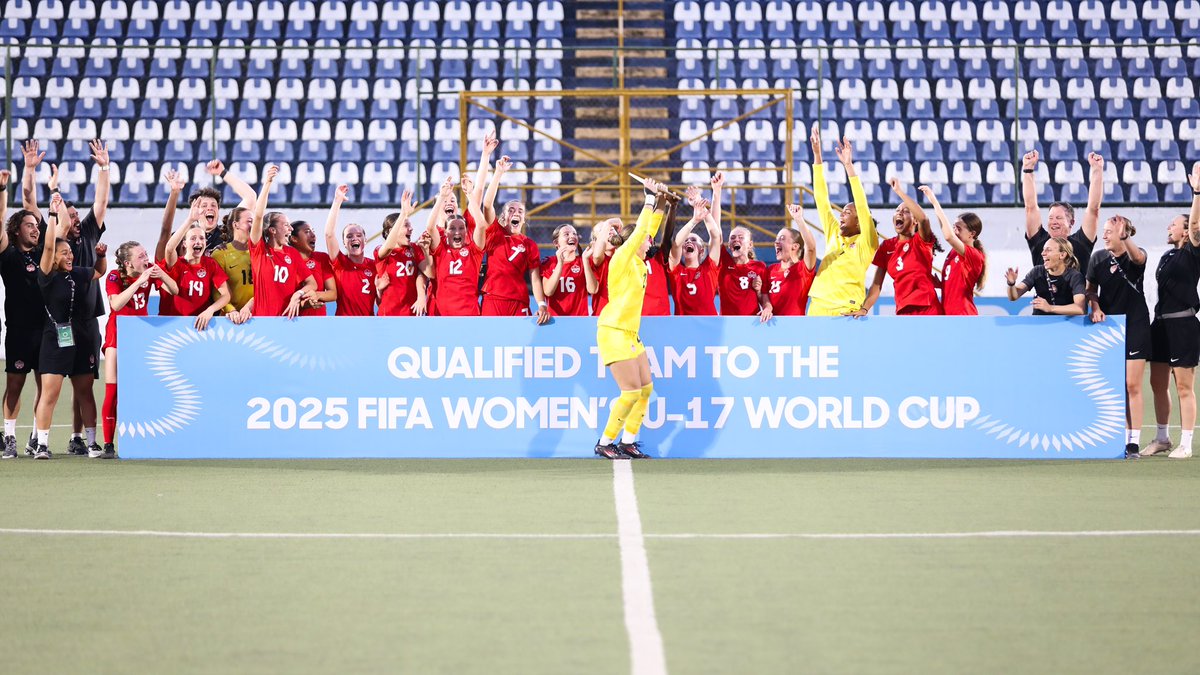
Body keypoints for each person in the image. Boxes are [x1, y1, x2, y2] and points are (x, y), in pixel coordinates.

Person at [23, 139, 110, 455]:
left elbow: (100, 202)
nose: (73, 218)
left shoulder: (87, 234)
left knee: (84, 386)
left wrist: (104, 168)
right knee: (50, 387)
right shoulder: (54, 246)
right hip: (57, 325)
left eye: (75, 214)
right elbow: (32, 204)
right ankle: (39, 440)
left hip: (86, 323)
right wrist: (39, 180)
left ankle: (80, 438)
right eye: (68, 215)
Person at [593, 178, 675, 460]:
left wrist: (662, 202)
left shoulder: (640, 261)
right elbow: (642, 230)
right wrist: (649, 197)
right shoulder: (622, 259)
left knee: (646, 389)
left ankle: (628, 441)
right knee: (629, 392)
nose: (650, 241)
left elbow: (648, 229)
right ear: (633, 242)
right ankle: (605, 442)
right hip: (613, 330)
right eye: (645, 240)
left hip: (629, 333)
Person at [1143, 165, 1200, 460]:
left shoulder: (1193, 251)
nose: (1169, 227)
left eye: (1173, 224)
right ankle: (1162, 438)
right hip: (1160, 325)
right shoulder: (1167, 255)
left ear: (1185, 231)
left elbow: (1196, 225)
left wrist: (1197, 192)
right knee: (1157, 383)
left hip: (1183, 325)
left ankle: (1186, 443)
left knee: (1184, 386)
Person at [101, 241, 178, 458]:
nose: (146, 259)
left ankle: (146, 439)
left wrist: (162, 275)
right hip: (117, 336)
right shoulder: (115, 277)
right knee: (113, 389)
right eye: (141, 256)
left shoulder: (150, 271)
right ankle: (108, 444)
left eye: (146, 254)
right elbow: (116, 304)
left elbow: (174, 290)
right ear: (128, 263)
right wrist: (139, 282)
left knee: (142, 389)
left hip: (140, 337)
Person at [1084, 215, 1149, 459]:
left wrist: (1126, 238)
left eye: (1109, 231)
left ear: (1123, 234)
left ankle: (1134, 442)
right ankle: (1117, 437)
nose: (1104, 235)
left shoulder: (1135, 254)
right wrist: (1095, 306)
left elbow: (1139, 259)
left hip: (1135, 324)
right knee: (1115, 385)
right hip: (1110, 328)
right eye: (1104, 231)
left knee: (1132, 384)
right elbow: (1091, 289)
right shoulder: (1098, 258)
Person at [806, 125, 880, 316]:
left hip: (846, 309)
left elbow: (862, 205)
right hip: (817, 306)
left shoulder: (866, 243)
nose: (841, 215)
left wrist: (848, 166)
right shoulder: (834, 233)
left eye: (847, 212)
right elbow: (822, 200)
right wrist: (817, 156)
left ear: (859, 221)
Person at [0, 171, 47, 458]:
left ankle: (36, 436)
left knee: (45, 385)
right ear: (16, 230)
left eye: (36, 225)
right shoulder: (7, 254)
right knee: (15, 384)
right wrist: (2, 190)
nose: (35, 229)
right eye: (29, 225)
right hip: (18, 330)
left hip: (45, 329)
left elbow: (35, 204)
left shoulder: (43, 252)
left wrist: (32, 172)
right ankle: (9, 437)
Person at [473, 158, 551, 323]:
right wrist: (498, 173)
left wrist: (541, 304)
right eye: (511, 210)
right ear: (503, 216)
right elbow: (487, 205)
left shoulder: (529, 244)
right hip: (493, 297)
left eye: (520, 211)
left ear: (524, 218)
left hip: (519, 300)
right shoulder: (495, 233)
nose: (516, 212)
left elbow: (535, 277)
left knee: (519, 339)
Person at [857, 178, 943, 316]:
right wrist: (864, 308)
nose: (899, 213)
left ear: (915, 221)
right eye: (897, 210)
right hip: (902, 310)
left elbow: (924, 219)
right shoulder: (887, 246)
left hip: (928, 308)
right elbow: (876, 284)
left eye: (906, 211)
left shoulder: (921, 241)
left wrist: (898, 191)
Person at [248, 165, 316, 318]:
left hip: (288, 321)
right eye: (286, 225)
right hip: (262, 321)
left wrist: (298, 295)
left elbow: (312, 283)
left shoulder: (292, 253)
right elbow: (258, 216)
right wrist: (267, 183)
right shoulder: (259, 250)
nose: (291, 229)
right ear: (272, 230)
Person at [1022, 150, 1101, 275]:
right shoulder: (1039, 242)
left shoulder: (1081, 243)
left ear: (1071, 222)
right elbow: (1030, 207)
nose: (1053, 222)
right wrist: (1028, 169)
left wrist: (1097, 169)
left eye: (1058, 218)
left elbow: (1093, 209)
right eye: (1051, 218)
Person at [919, 186, 987, 316]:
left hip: (963, 316)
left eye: (958, 229)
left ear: (972, 233)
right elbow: (957, 285)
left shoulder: (974, 255)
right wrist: (942, 284)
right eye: (953, 227)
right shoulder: (953, 253)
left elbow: (948, 236)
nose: (954, 231)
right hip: (948, 316)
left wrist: (934, 201)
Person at [161, 219, 232, 329]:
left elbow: (226, 295)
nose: (198, 242)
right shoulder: (177, 263)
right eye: (193, 238)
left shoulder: (210, 264)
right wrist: (190, 219)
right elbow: (169, 249)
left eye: (202, 238)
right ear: (184, 243)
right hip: (174, 326)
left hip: (200, 325)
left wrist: (210, 310)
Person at [669, 174, 724, 315]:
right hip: (683, 325)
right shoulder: (676, 270)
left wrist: (700, 205)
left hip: (708, 324)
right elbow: (676, 244)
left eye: (693, 240)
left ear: (702, 250)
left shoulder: (709, 269)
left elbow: (715, 235)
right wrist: (694, 220)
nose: (688, 241)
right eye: (686, 240)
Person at [323, 184, 377, 316]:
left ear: (365, 240)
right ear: (344, 243)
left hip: (368, 323)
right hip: (344, 323)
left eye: (358, 235)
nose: (354, 238)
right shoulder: (340, 263)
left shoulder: (374, 265)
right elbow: (329, 234)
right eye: (349, 236)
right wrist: (337, 201)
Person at [375, 190, 432, 317]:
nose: (411, 228)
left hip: (412, 313)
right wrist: (403, 214)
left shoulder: (414, 249)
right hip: (388, 315)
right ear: (392, 230)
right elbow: (389, 245)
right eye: (406, 225)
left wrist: (426, 250)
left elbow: (428, 273)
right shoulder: (380, 251)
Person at [760, 204, 818, 319]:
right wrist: (767, 307)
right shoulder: (770, 270)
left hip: (795, 325)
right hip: (771, 324)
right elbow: (764, 294)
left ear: (795, 246)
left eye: (782, 238)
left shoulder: (803, 268)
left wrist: (799, 219)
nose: (776, 242)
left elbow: (811, 248)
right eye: (776, 239)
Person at [1004, 237, 1086, 316]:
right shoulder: (1037, 271)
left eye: (1048, 250)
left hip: (1065, 323)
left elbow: (1079, 308)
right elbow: (1014, 296)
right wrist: (1011, 284)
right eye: (1043, 250)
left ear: (1062, 255)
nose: (1043, 253)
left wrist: (1050, 308)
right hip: (1039, 323)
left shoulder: (1075, 276)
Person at [211, 205, 255, 324]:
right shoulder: (220, 254)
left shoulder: (260, 252)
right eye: (250, 221)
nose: (254, 225)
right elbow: (217, 291)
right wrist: (231, 310)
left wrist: (250, 306)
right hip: (230, 320)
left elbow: (265, 287)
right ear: (236, 225)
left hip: (257, 317)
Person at [288, 220, 336, 316]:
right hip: (290, 320)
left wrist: (316, 295)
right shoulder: (285, 262)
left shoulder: (322, 258)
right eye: (307, 232)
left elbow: (333, 293)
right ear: (294, 239)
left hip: (318, 321)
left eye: (313, 231)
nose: (313, 235)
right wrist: (303, 304)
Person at [541, 224, 589, 317]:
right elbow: (548, 291)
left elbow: (593, 289)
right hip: (556, 319)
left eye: (574, 234)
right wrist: (560, 263)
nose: (572, 236)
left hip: (580, 319)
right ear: (556, 243)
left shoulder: (583, 261)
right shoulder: (549, 262)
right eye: (566, 234)